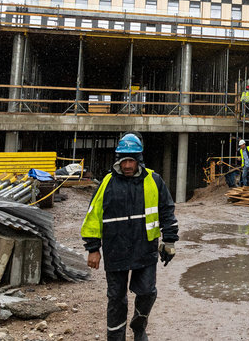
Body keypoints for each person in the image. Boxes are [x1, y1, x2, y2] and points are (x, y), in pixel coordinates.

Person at [81, 133, 179, 341]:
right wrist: (92, 248)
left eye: (131, 161)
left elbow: (167, 211)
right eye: (123, 160)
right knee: (116, 299)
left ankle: (139, 325)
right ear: (118, 159)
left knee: (146, 292)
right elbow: (93, 216)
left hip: (145, 248)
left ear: (139, 160)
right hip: (115, 250)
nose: (127, 165)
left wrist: (169, 241)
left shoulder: (154, 181)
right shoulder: (107, 183)